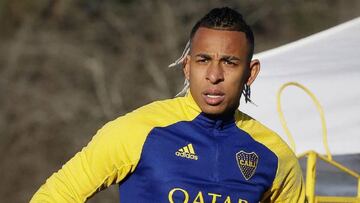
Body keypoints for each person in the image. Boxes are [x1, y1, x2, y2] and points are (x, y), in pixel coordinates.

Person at [31, 7, 305, 203]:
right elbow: (56, 195)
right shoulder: (138, 131)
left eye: (229, 62)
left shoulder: (276, 156)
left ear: (250, 72)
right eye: (203, 60)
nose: (214, 75)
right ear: (187, 67)